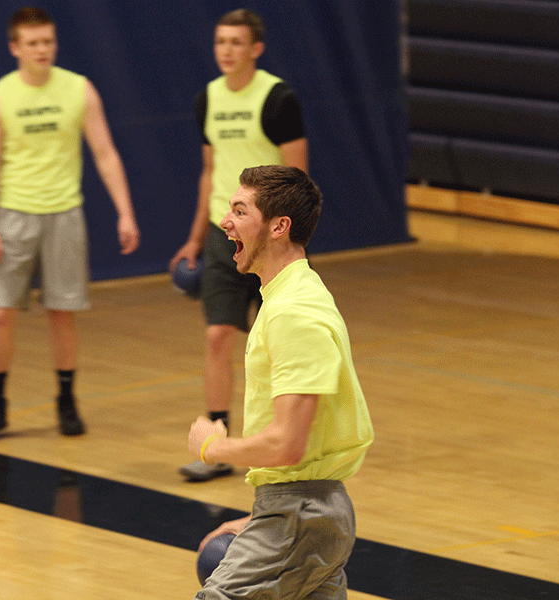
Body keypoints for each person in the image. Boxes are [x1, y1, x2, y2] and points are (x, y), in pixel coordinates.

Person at [187, 165, 373, 599]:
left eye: (239, 210)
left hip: (301, 512)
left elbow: (287, 444)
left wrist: (212, 448)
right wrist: (263, 516)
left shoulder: (293, 314)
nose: (224, 221)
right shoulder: (292, 298)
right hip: (301, 511)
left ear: (278, 227)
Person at [0, 7, 140, 443]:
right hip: (14, 215)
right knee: (1, 313)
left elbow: (105, 153)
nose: (42, 49)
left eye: (48, 41)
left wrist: (125, 211)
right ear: (15, 48)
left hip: (65, 213)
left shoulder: (79, 90)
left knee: (62, 314)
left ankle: (66, 401)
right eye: (32, 43)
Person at [171, 9, 309, 481]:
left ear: (256, 50)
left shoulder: (277, 99)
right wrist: (194, 238)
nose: (226, 50)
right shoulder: (206, 99)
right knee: (216, 336)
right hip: (221, 233)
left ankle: (281, 437)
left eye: (236, 42)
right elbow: (209, 172)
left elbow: (297, 177)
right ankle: (218, 444)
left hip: (268, 239)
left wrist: (291, 239)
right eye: (220, 42)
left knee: (269, 344)